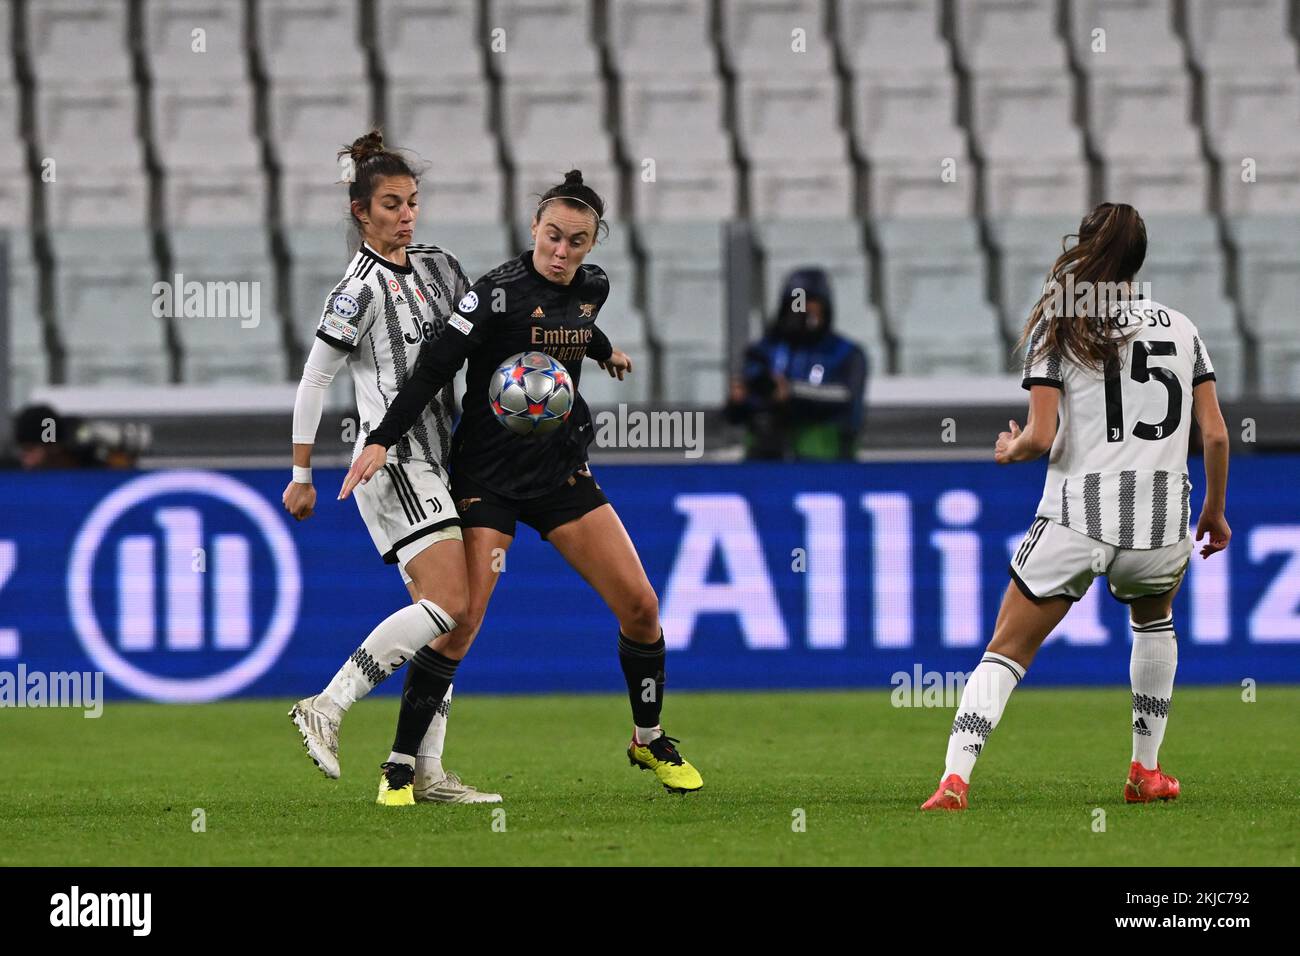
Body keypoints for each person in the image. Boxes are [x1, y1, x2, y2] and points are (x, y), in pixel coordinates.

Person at [340, 170, 704, 794]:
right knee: (459, 623)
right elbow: (432, 369)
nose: (562, 253)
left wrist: (604, 351)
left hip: (561, 476)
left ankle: (648, 740)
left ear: (593, 245)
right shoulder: (491, 296)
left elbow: (575, 325)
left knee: (642, 607)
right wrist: (381, 437)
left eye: (578, 242)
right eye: (553, 237)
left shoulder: (593, 287)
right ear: (534, 227)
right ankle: (400, 766)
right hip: (491, 484)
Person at [920, 202, 1231, 811]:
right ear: (1139, 261)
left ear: (1085, 250)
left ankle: (954, 779)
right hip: (1159, 523)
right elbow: (1216, 435)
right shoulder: (1181, 327)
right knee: (1154, 624)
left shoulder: (1060, 327)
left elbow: (1039, 437)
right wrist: (1214, 513)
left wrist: (1012, 450)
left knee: (1006, 650)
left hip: (1075, 520)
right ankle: (1145, 770)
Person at [284, 130, 499, 806]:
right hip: (395, 462)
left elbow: (481, 338)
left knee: (451, 620)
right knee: (453, 604)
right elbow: (314, 380)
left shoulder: (441, 266)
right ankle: (327, 704)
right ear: (360, 212)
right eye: (390, 205)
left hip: (444, 458)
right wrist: (301, 472)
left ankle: (425, 770)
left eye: (411, 202)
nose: (406, 215)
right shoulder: (357, 291)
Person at [726, 267, 867, 460]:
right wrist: (740, 400)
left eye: (810, 302)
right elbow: (740, 408)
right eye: (796, 304)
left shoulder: (845, 353)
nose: (802, 310)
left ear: (825, 306)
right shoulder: (764, 351)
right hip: (766, 459)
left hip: (825, 459)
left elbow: (847, 398)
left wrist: (791, 392)